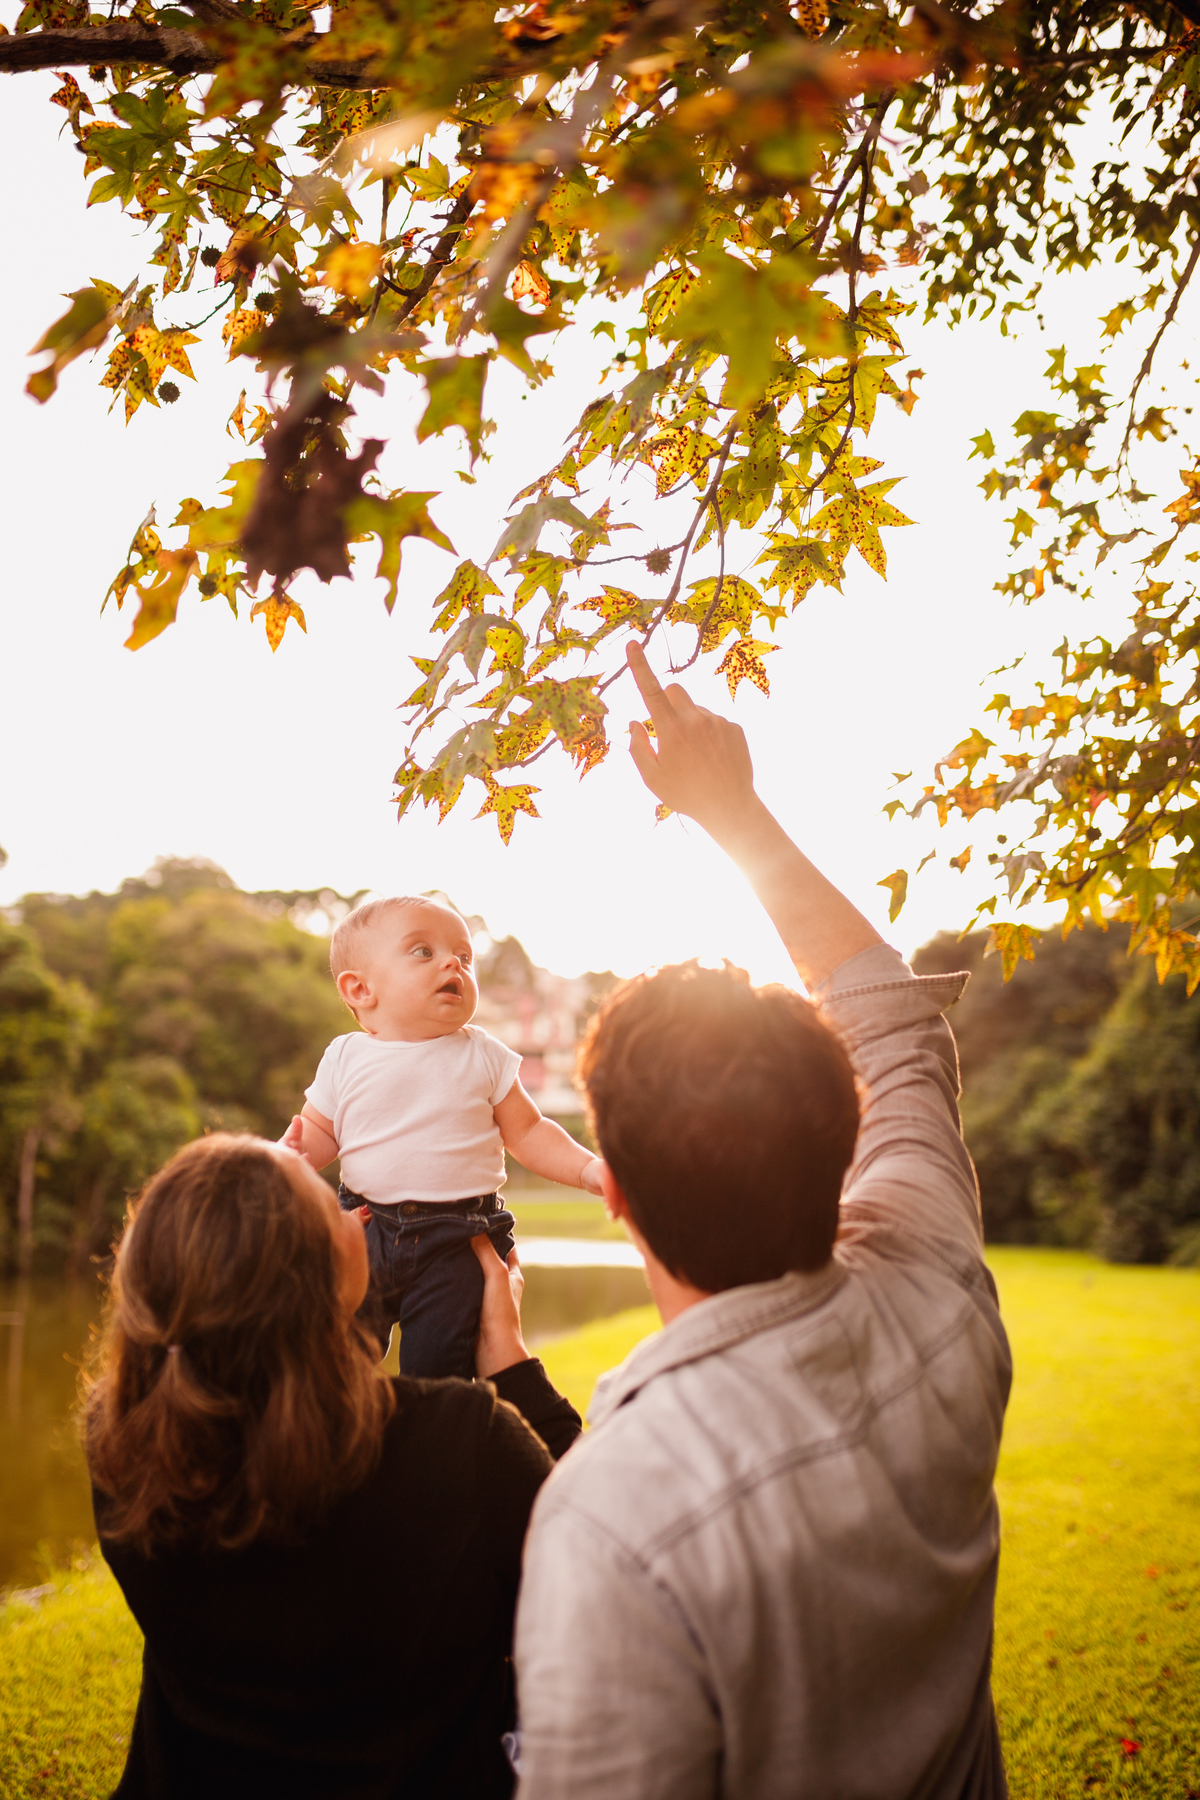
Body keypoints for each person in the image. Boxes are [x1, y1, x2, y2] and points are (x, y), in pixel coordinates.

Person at [513, 643, 1014, 1799]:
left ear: (617, 1195)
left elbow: (887, 1044)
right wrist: (735, 814)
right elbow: (893, 1030)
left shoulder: (612, 1516)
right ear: (841, 1147)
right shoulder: (935, 1287)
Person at [85, 1131, 580, 1799]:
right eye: (330, 1206)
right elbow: (604, 1570)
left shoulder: (127, 1446)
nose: (356, 1213)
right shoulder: (465, 1443)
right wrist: (512, 1363)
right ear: (317, 1279)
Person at [287, 895, 604, 1377]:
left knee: (438, 1372)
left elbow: (530, 1131)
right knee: (334, 1358)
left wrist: (587, 1168)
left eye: (465, 957)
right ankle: (343, 1439)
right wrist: (285, 1157)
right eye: (423, 951)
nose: (454, 962)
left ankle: (430, 1443)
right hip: (366, 1229)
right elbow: (318, 1131)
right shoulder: (345, 1056)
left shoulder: (484, 1055)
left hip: (457, 1240)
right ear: (360, 989)